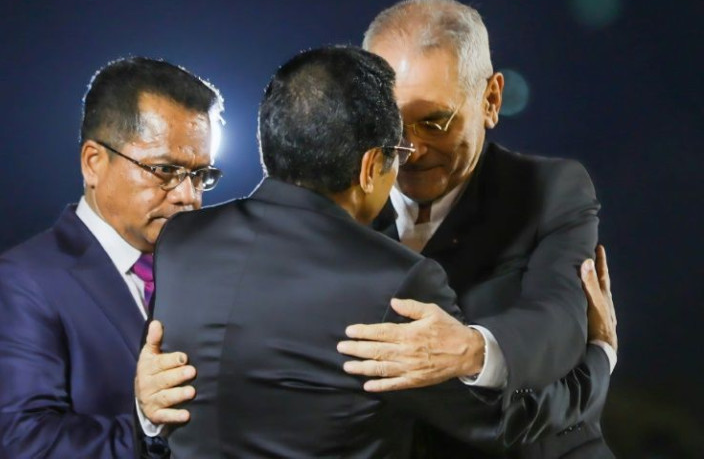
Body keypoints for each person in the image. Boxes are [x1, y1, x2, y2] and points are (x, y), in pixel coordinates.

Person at [138, 46, 614, 458]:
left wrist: (145, 411)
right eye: (397, 153)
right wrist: (600, 358)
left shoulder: (181, 241)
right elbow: (503, 423)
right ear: (371, 167)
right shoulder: (395, 283)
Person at [336, 0, 614, 458]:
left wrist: (469, 349)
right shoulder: (335, 203)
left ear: (490, 99)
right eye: (389, 123)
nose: (411, 149)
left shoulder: (549, 189)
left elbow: (561, 320)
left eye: (434, 123)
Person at [0, 57, 223, 458]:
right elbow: (28, 446)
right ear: (93, 162)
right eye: (165, 170)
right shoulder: (21, 282)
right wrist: (144, 420)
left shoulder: (208, 271)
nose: (188, 196)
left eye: (200, 175)